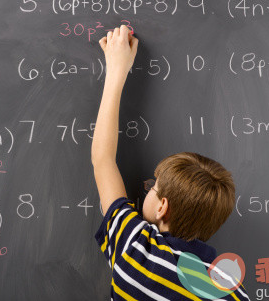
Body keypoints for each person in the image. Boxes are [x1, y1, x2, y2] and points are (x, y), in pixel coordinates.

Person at [91, 25, 250, 300]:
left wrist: (117, 69)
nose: (148, 189)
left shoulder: (136, 251)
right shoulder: (231, 292)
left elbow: (103, 160)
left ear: (163, 206)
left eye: (154, 187)